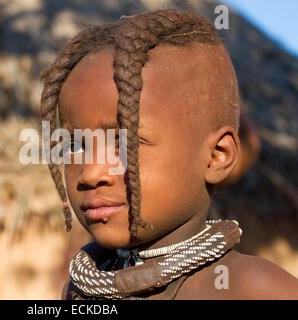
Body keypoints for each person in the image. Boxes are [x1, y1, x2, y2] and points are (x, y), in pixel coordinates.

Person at [39, 9, 298, 299]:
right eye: (75, 146)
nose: (90, 173)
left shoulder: (255, 290)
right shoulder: (80, 291)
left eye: (126, 144)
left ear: (217, 156)